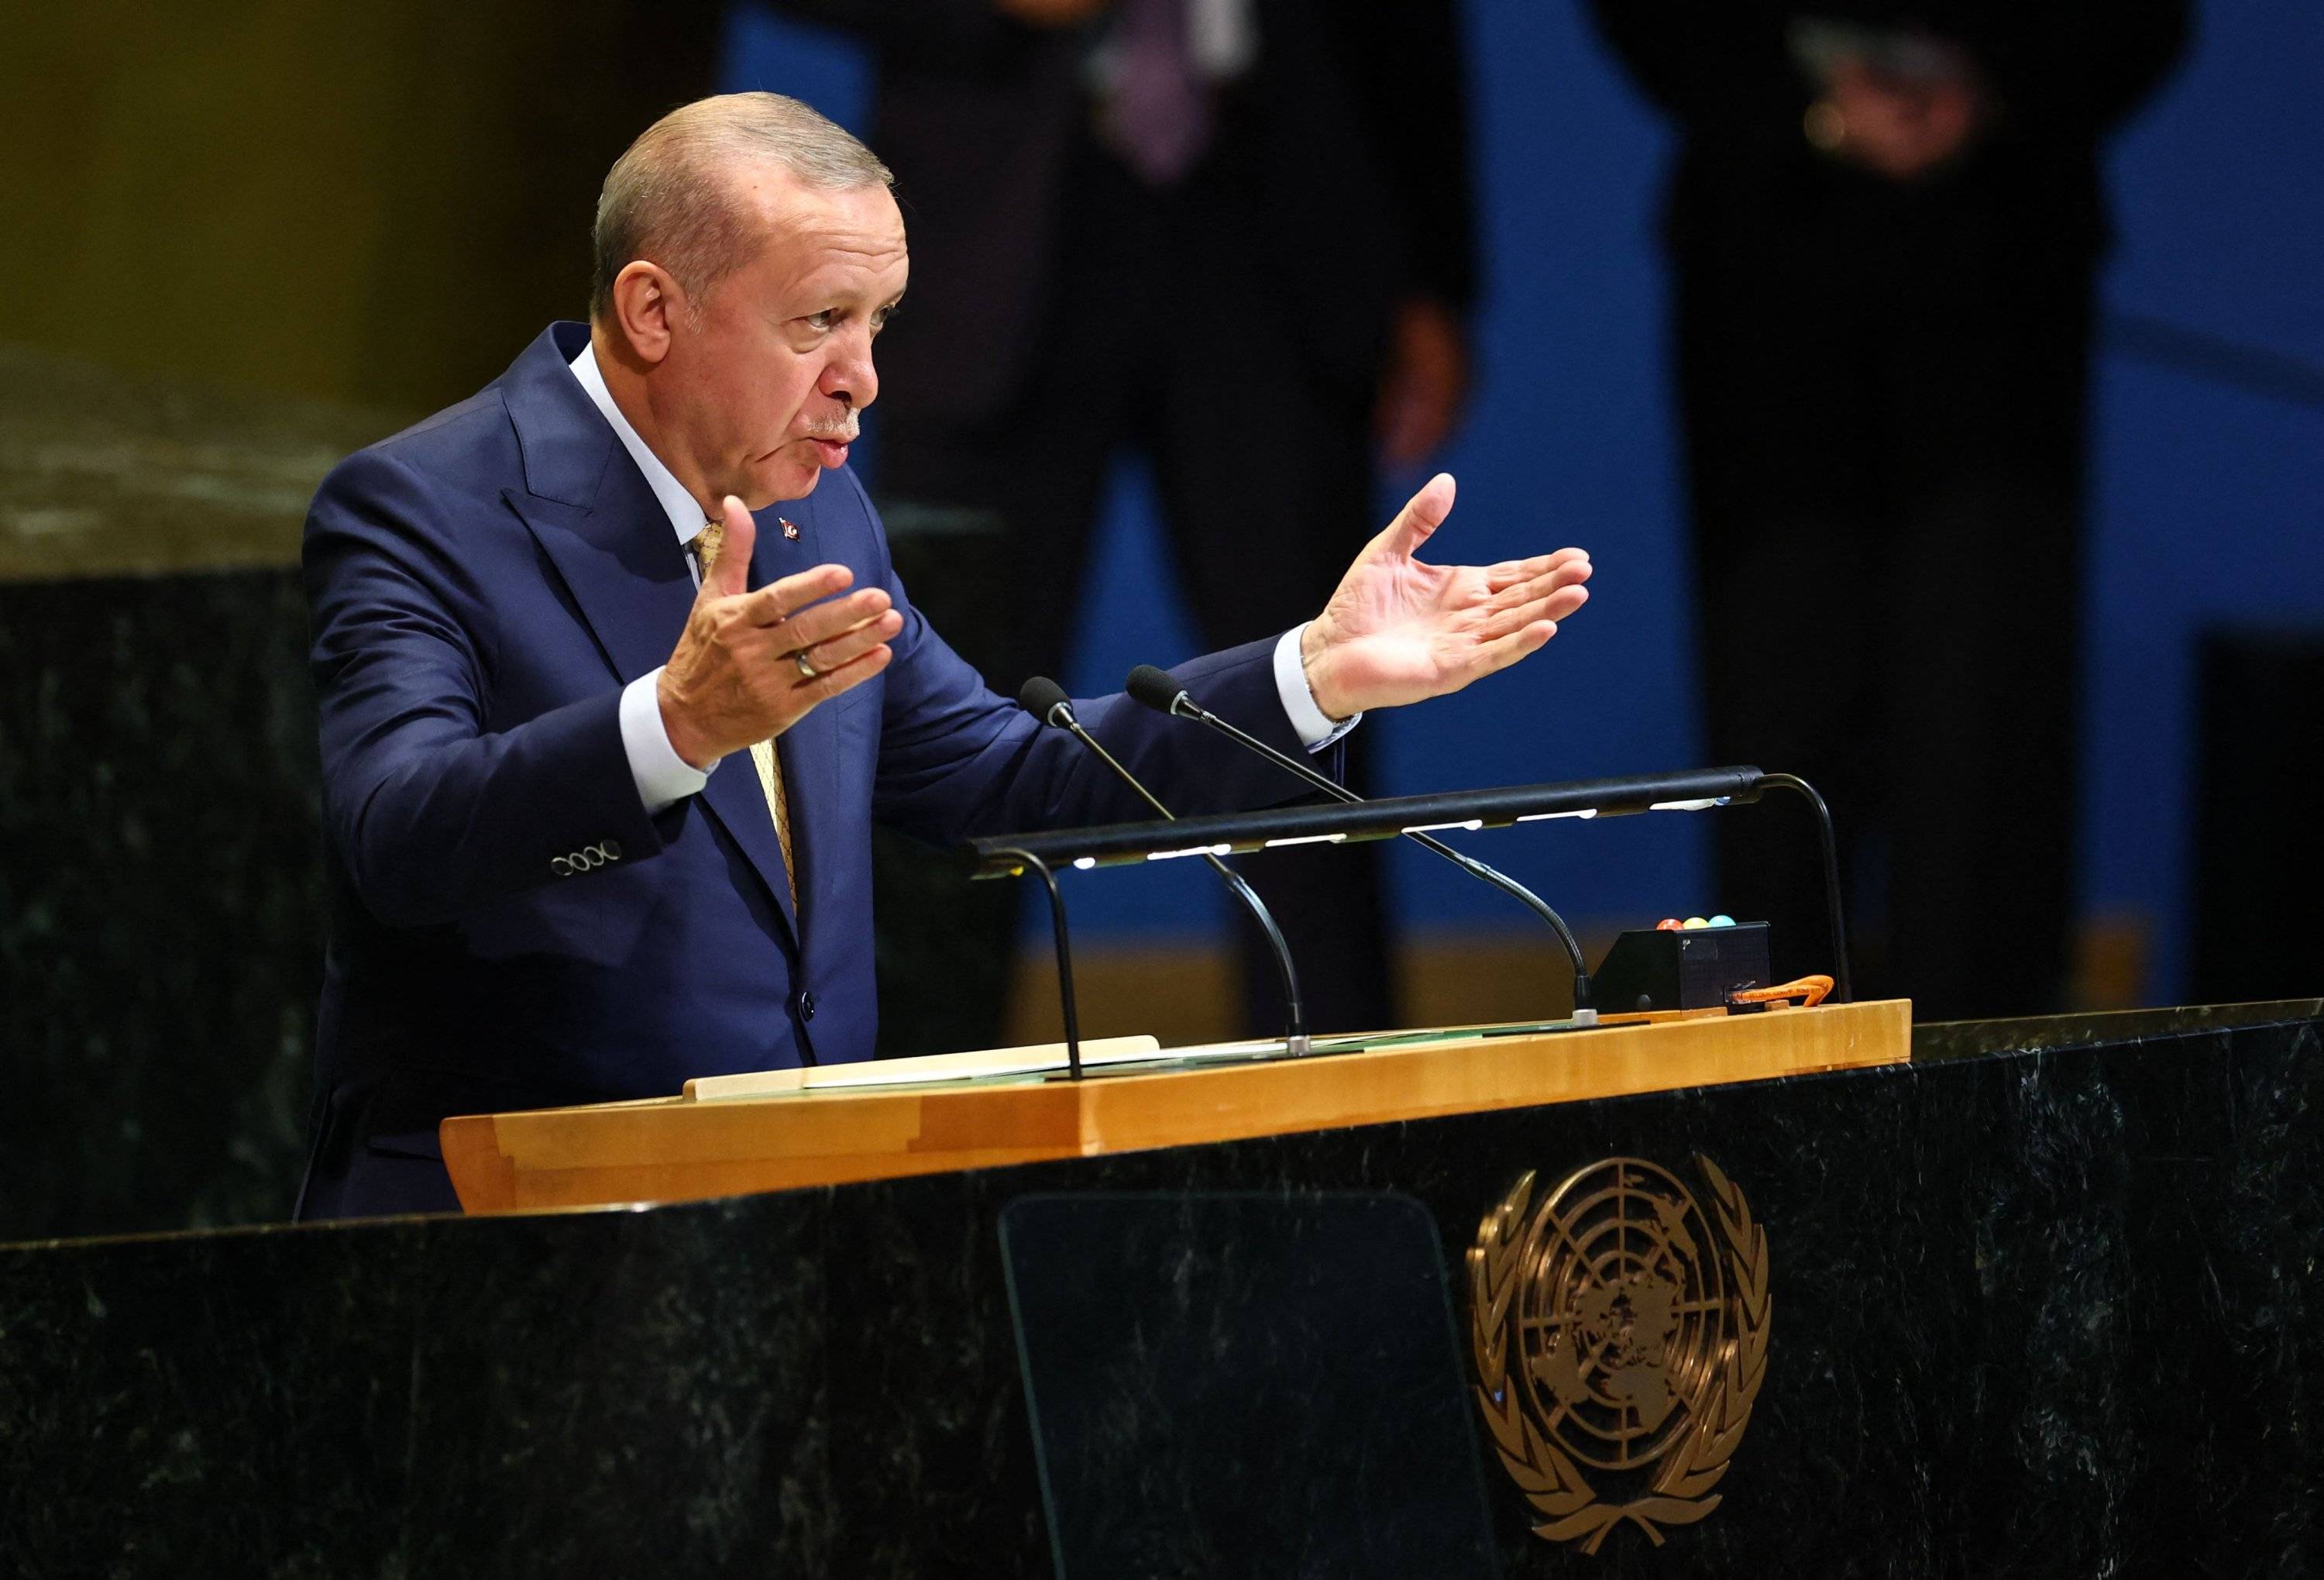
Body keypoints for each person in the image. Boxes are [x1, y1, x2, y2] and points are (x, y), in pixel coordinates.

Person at [294, 94, 1591, 1220]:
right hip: (500, 1247)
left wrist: (1314, 675)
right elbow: (397, 841)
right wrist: (669, 731)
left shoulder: (818, 510)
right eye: (818, 322)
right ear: (652, 310)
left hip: (790, 1229)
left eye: (881, 321)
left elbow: (1007, 778)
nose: (864, 380)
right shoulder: (426, 508)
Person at [772, 0, 1479, 1046]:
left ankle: (1341, 1146)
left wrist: (1436, 274)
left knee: (1319, 702)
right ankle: (905, 1150)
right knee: (939, 718)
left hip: (1278, 217)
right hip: (990, 232)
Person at [1587, 2, 2185, 1019]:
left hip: (2002, 271)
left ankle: (1984, 1128)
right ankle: (1775, 1116)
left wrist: (1991, 92)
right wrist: (1808, 104)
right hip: (1771, 269)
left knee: (1986, 746)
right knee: (1778, 738)